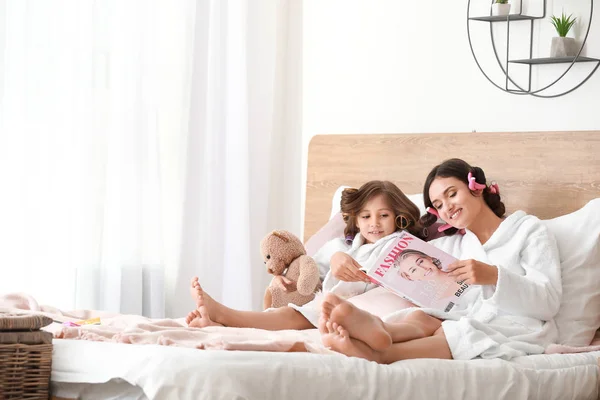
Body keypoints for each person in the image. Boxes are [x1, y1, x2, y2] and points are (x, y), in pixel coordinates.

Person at [319, 158, 562, 363]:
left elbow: (549, 301)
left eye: (452, 194)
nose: (447, 207)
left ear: (476, 187)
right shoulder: (452, 244)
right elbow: (383, 253)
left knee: (457, 332)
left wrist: (494, 276)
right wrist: (338, 255)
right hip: (461, 317)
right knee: (421, 317)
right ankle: (382, 330)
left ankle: (385, 354)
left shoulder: (528, 231)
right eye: (438, 205)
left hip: (519, 326)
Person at [185, 180, 429, 344]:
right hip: (335, 303)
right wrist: (289, 276)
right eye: (366, 216)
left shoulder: (404, 244)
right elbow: (310, 269)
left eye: (383, 215)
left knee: (297, 318)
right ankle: (221, 321)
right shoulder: (345, 247)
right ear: (356, 219)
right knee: (292, 314)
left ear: (398, 218)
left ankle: (226, 317)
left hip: (375, 305)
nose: (373, 223)